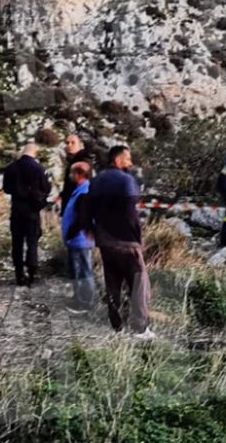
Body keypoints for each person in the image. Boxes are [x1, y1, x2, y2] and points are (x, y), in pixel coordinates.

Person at [76, 145, 154, 339]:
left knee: (113, 282)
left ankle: (116, 323)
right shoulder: (127, 180)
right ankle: (140, 328)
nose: (130, 163)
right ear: (118, 160)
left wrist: (91, 231)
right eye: (127, 159)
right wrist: (136, 236)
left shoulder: (97, 180)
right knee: (139, 283)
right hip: (126, 241)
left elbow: (85, 207)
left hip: (104, 240)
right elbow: (131, 211)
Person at [2, 142, 52, 287]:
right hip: (32, 211)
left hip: (16, 209)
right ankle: (32, 274)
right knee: (32, 242)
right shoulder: (39, 169)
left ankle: (19, 275)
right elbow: (46, 188)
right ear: (35, 152)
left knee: (16, 244)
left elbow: (6, 189)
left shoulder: (11, 168)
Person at [61, 161, 97, 312]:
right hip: (77, 240)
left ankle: (85, 303)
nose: (70, 176)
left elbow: (82, 219)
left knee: (84, 272)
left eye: (72, 172)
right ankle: (78, 299)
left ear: (79, 174)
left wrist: (70, 234)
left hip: (80, 240)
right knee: (78, 271)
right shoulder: (80, 191)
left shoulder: (84, 192)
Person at [61, 133, 93, 210]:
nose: (69, 145)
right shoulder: (73, 160)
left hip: (78, 203)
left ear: (80, 144)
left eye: (73, 143)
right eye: (67, 143)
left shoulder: (83, 160)